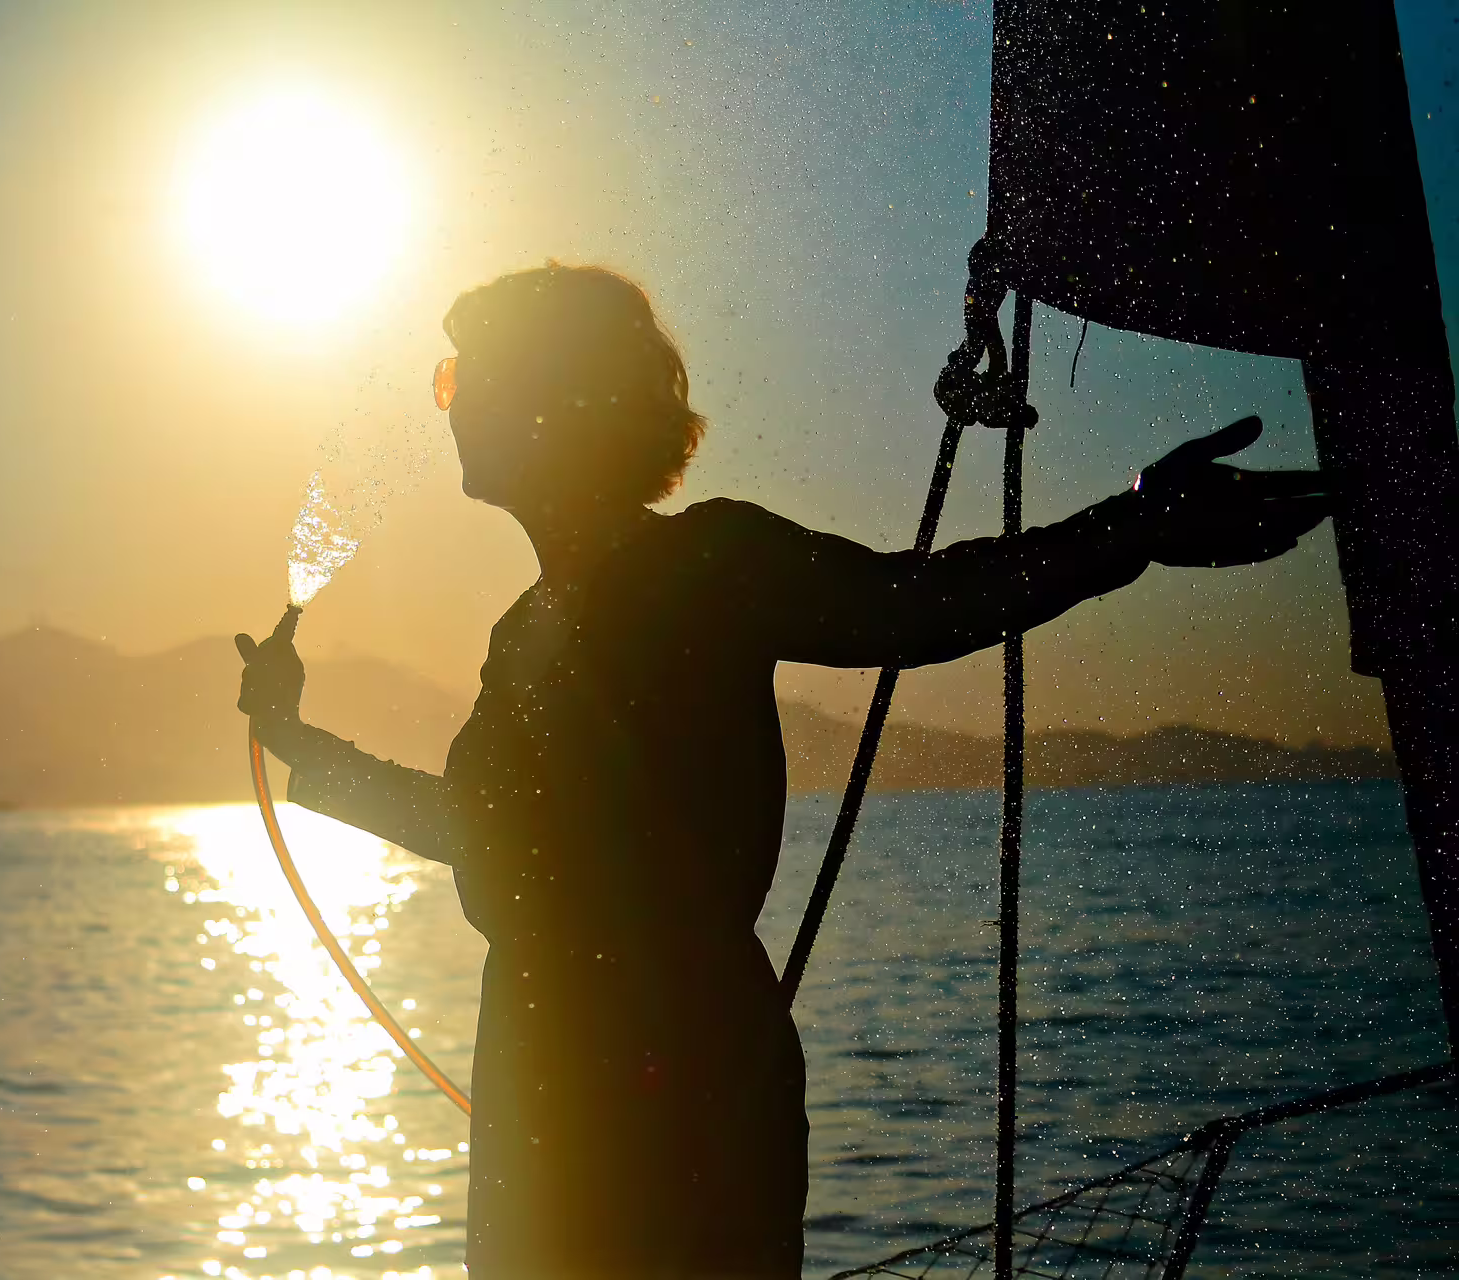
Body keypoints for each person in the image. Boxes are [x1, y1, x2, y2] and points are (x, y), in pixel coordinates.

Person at [233, 264, 1330, 1280]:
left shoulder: (706, 563)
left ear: (549, 401)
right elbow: (481, 826)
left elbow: (921, 604)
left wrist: (1130, 528)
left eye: (467, 377)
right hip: (543, 1079)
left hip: (679, 1085)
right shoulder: (522, 631)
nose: (451, 403)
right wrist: (302, 745)